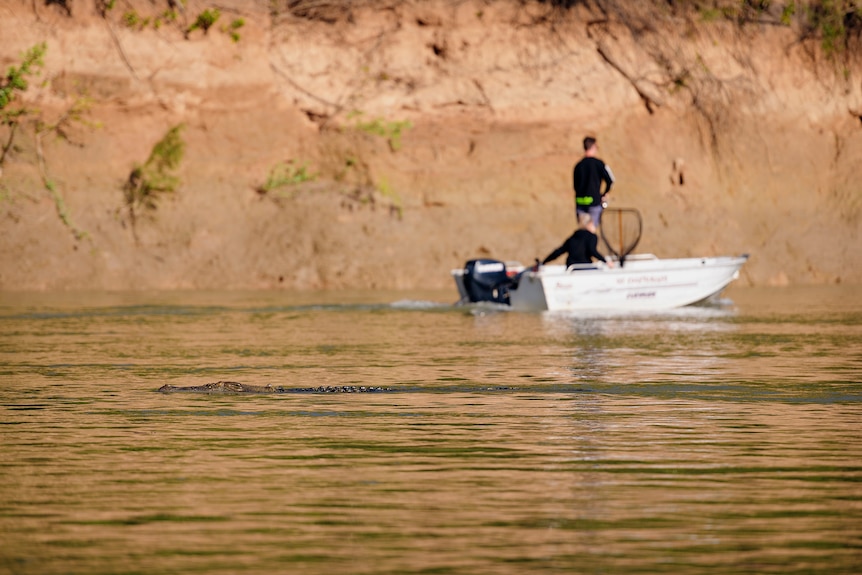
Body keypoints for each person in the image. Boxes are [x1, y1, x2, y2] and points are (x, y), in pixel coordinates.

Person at [541, 212, 613, 269]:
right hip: (585, 267)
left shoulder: (573, 237)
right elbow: (592, 251)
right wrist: (606, 261)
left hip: (571, 267)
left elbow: (559, 251)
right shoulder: (592, 237)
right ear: (590, 223)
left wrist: (544, 262)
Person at [573, 136, 614, 226]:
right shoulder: (599, 164)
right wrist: (605, 193)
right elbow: (610, 180)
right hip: (594, 203)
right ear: (593, 147)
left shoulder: (578, 166)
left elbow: (575, 186)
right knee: (591, 232)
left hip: (580, 202)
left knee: (582, 232)